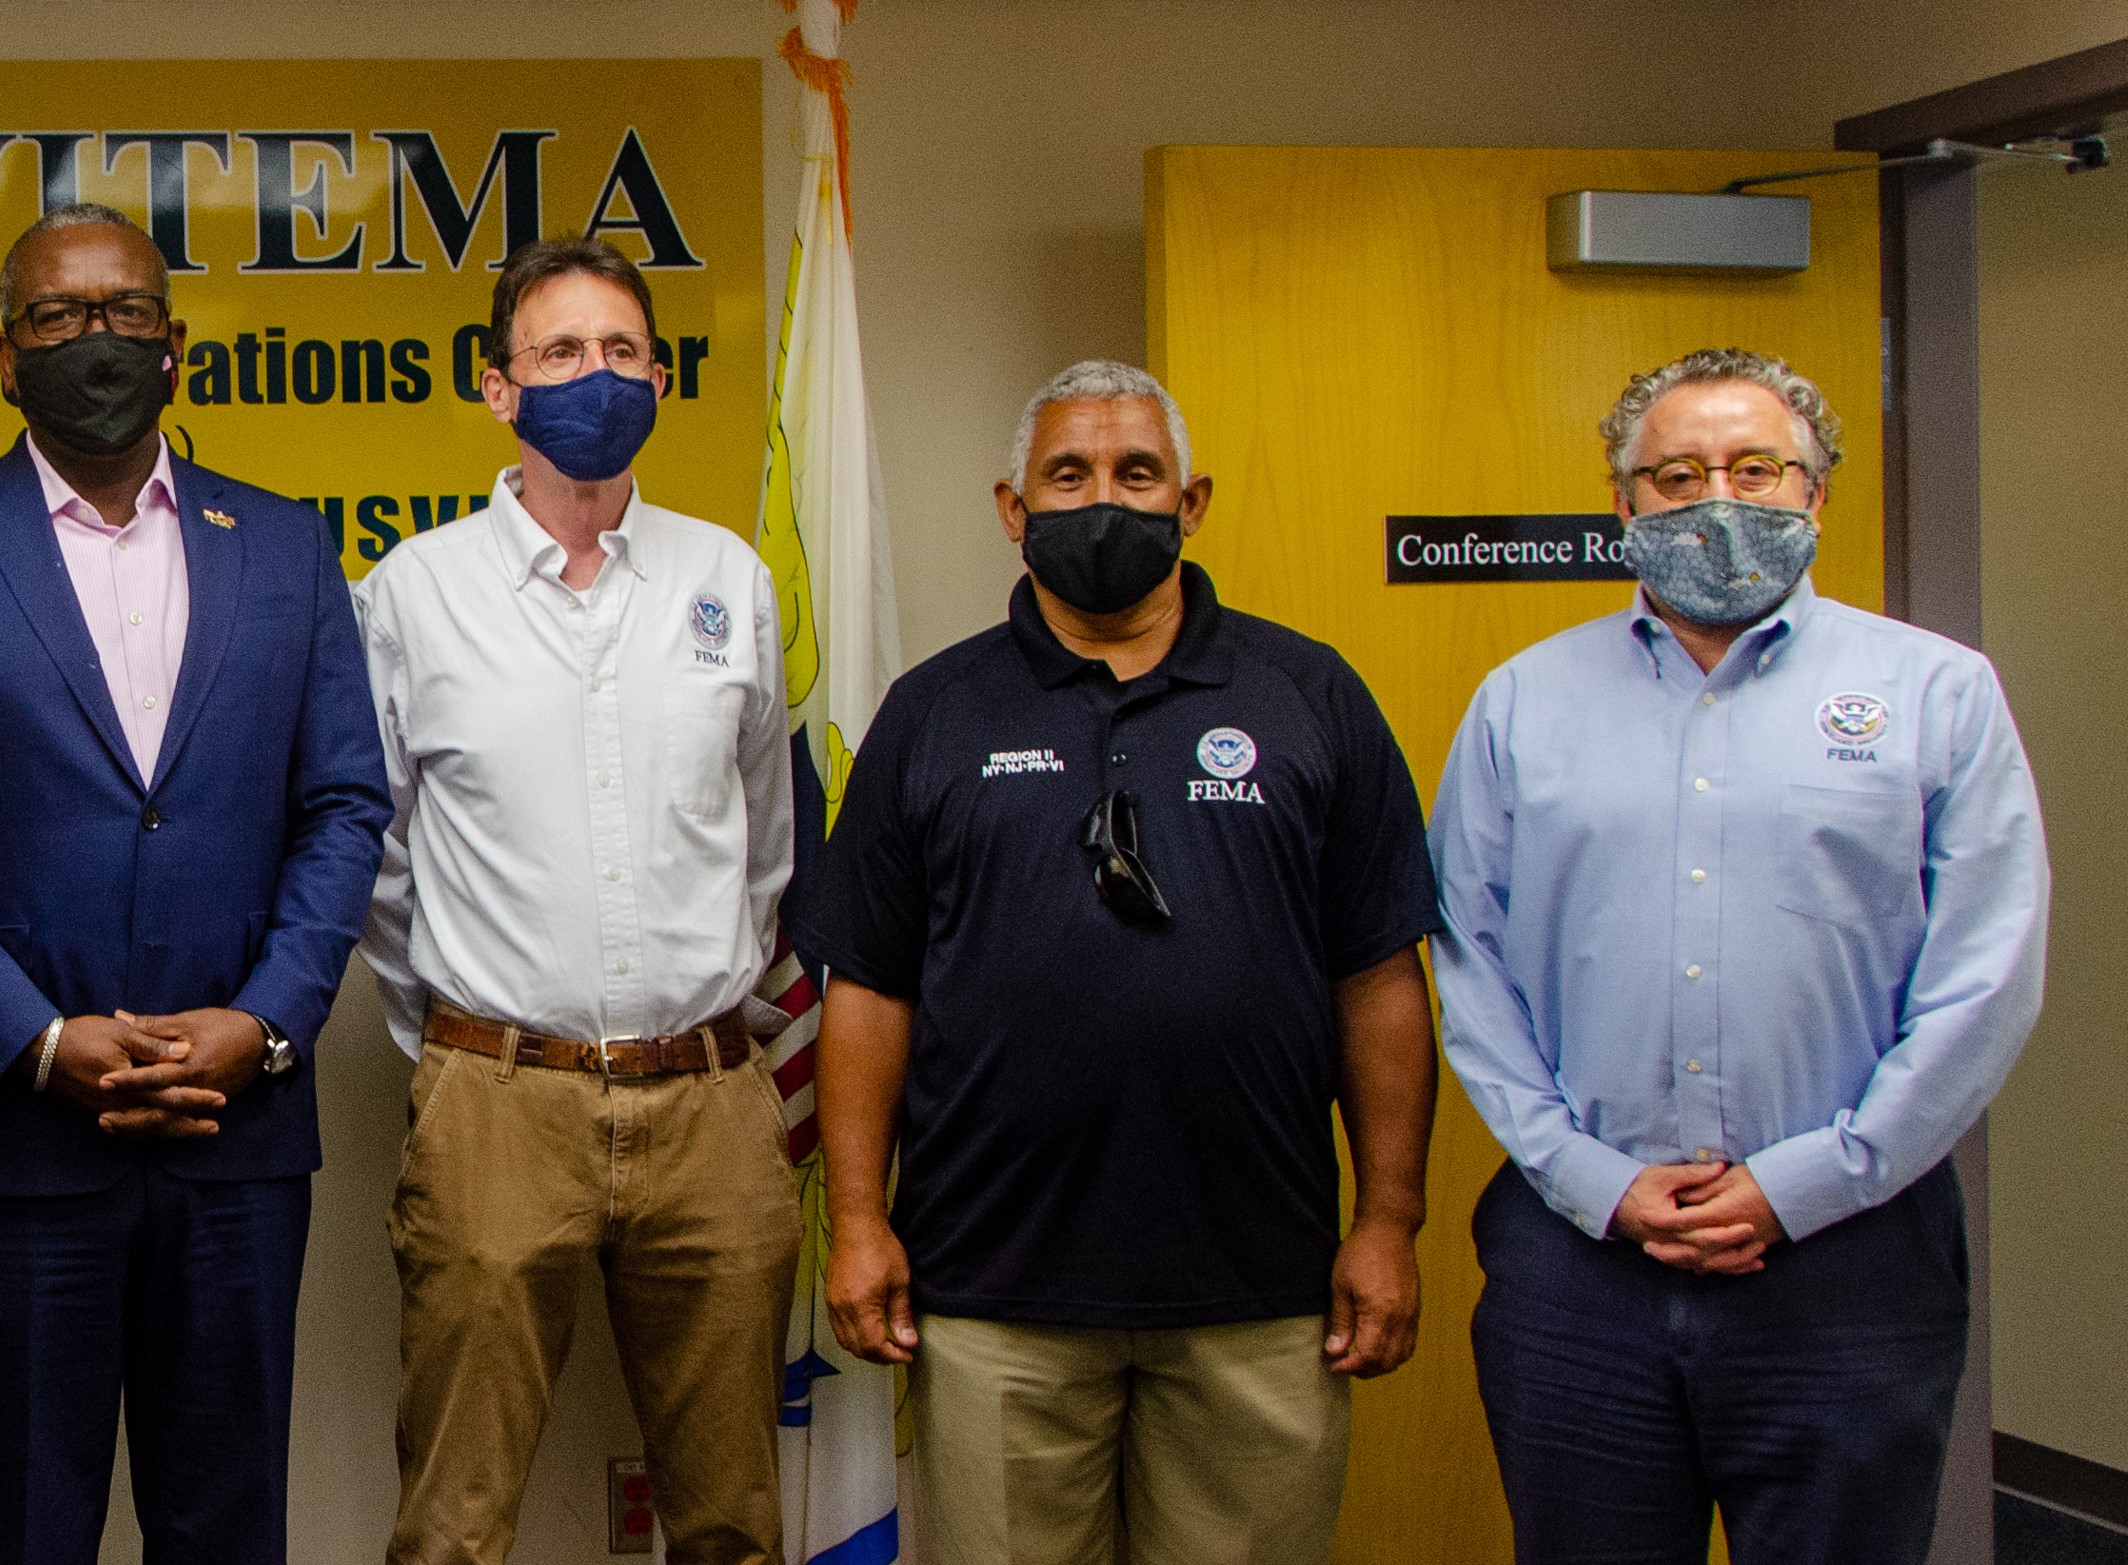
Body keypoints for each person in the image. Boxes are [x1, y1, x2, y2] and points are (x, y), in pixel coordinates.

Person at [796, 360, 1441, 1564]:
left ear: (1191, 502)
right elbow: (869, 986)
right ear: (1012, 506)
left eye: (1136, 473)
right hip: (994, 1289)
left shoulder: (1309, 694)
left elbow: (1380, 977)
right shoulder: (934, 713)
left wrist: (1389, 1217)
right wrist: (858, 1219)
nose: (1105, 499)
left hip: (1258, 1287)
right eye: (1070, 474)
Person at [0, 202, 390, 1565]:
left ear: (177, 347)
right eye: (60, 317)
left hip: (237, 1139)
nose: (98, 340)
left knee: (228, 1522)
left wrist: (262, 1026)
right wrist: (34, 1037)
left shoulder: (287, 545)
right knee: (30, 1527)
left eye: (127, 312)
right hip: (20, 1144)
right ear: (4, 356)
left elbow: (343, 802)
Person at [1431, 347, 2049, 1564]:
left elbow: (1988, 971)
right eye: (1675, 475)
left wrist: (1815, 1176)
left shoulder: (1937, 693)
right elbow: (1467, 959)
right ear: (1623, 505)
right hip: (1580, 1260)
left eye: (1756, 467)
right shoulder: (1522, 700)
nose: (1717, 498)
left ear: (1816, 494)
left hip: (1849, 1258)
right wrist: (1587, 1174)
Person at [353, 235, 799, 1565]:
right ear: (499, 389)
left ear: (660, 374)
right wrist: (457, 1056)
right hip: (497, 1094)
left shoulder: (730, 582)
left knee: (728, 1521)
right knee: (454, 1526)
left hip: (714, 1102)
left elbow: (764, 838)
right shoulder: (414, 594)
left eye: (620, 351)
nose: (593, 376)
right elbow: (377, 863)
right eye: (559, 352)